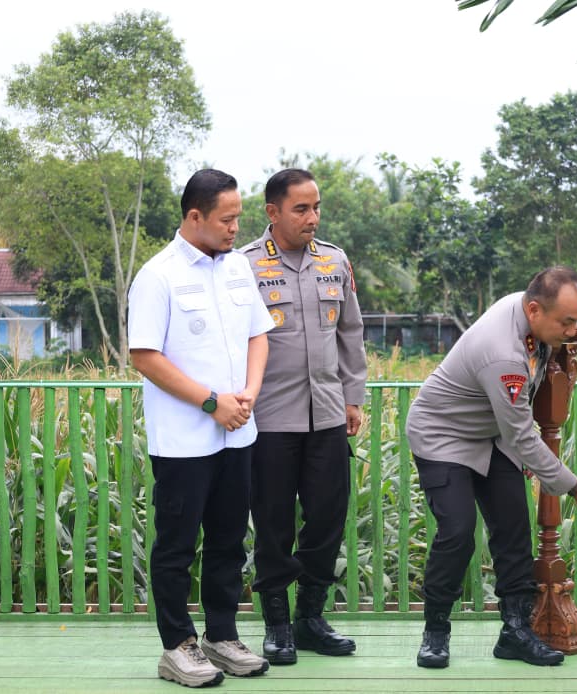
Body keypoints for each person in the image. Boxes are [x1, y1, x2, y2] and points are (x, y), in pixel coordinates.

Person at [405, 265, 577, 669]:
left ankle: (515, 632)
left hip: (490, 433)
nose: (572, 331)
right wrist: (574, 487)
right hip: (443, 436)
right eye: (566, 323)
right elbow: (521, 437)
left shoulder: (528, 311)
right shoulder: (503, 355)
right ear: (534, 310)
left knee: (514, 527)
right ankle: (436, 630)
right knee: (458, 531)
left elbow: (512, 429)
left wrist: (569, 334)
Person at [128, 168, 273, 687]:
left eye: (239, 217)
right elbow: (145, 356)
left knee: (230, 542)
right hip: (186, 440)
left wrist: (249, 392)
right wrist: (213, 402)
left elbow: (259, 334)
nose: (237, 228)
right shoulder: (158, 275)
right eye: (227, 219)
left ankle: (221, 635)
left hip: (239, 434)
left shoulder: (237, 269)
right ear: (195, 217)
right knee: (176, 545)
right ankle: (177, 646)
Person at [242, 168, 367, 666]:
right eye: (301, 209)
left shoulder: (334, 261)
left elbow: (350, 333)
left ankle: (310, 619)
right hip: (270, 418)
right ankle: (276, 623)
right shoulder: (245, 266)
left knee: (327, 520)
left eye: (316, 208)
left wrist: (353, 397)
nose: (312, 217)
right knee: (272, 524)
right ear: (273, 212)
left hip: (328, 416)